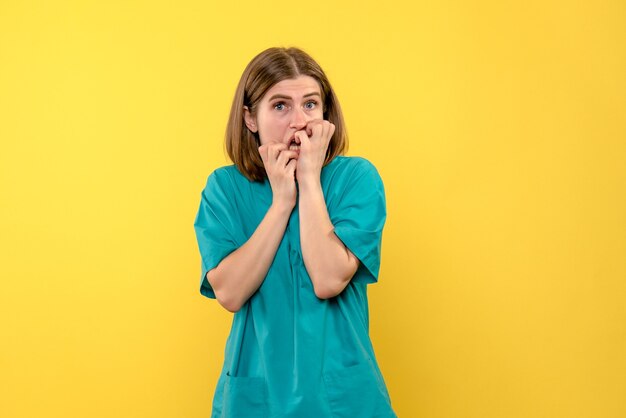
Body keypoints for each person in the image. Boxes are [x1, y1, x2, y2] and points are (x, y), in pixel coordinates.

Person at [193, 47, 397, 418]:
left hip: (342, 400)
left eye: (311, 104)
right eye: (280, 106)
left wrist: (309, 179)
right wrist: (282, 201)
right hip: (254, 399)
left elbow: (329, 278)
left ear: (326, 113)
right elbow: (230, 292)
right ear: (250, 118)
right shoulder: (224, 189)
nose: (299, 121)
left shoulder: (356, 179)